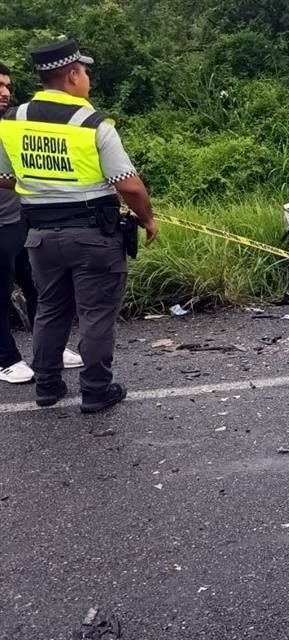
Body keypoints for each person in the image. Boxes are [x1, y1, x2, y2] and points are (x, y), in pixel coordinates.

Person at [0, 40, 158, 412]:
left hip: (39, 237)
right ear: (72, 74)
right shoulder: (92, 123)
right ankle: (96, 389)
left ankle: (48, 387)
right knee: (96, 313)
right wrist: (148, 218)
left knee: (51, 310)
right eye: (84, 72)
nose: (86, 78)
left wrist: (38, 182)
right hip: (93, 237)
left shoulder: (13, 120)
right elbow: (129, 184)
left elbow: (5, 176)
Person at [0, 61, 82, 384]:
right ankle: (5, 359)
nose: (5, 93)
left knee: (39, 287)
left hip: (21, 218)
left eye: (7, 86)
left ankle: (49, 347)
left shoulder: (14, 122)